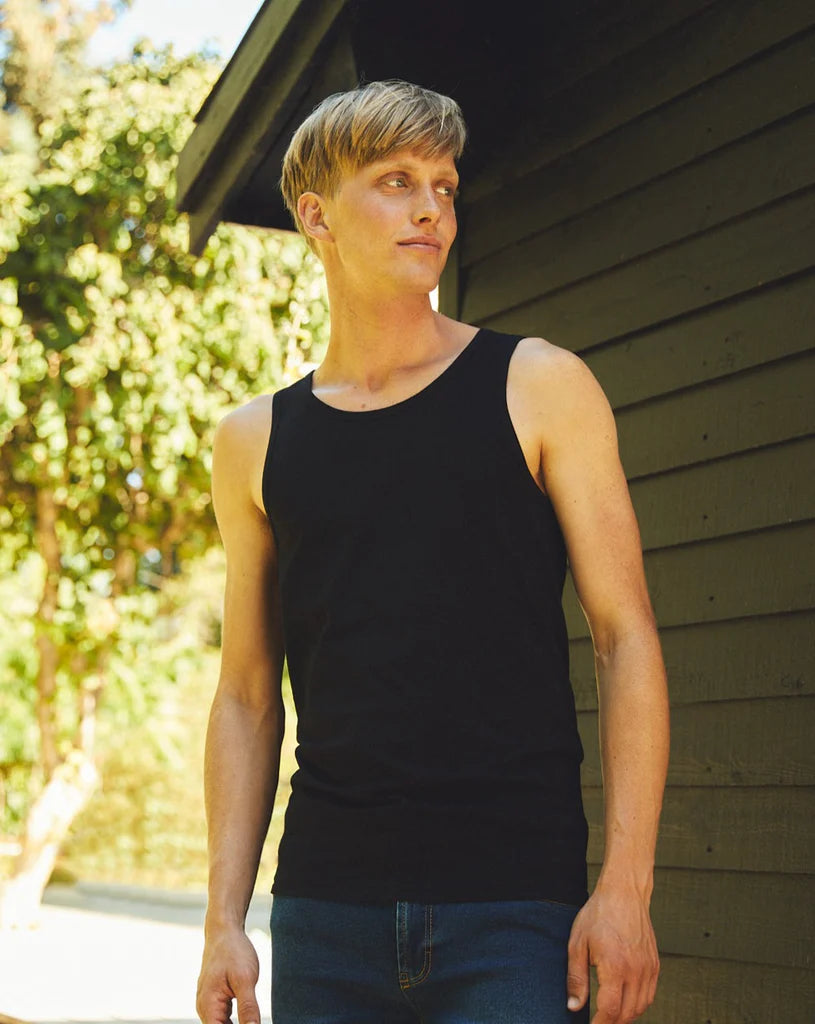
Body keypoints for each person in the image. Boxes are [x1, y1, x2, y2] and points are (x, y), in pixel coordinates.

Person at [195, 80, 669, 1024]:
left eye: (444, 186)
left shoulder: (539, 385)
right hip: (325, 917)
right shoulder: (253, 441)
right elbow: (246, 694)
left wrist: (626, 888)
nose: (430, 208)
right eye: (396, 181)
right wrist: (222, 918)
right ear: (316, 216)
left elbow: (625, 639)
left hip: (514, 915)